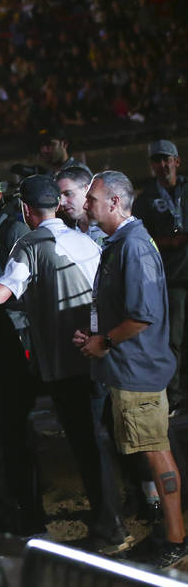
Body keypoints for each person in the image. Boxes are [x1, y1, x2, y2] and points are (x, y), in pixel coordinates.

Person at [0, 175, 129, 553]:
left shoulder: (30, 243)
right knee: (101, 440)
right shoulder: (84, 239)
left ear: (24, 209)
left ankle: (110, 527)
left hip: (65, 361)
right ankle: (120, 512)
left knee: (87, 444)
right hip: (101, 353)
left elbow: (0, 294)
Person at [74, 170, 186, 569]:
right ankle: (165, 533)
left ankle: (175, 539)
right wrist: (95, 336)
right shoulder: (122, 242)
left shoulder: (133, 246)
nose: (86, 205)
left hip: (138, 372)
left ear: (115, 203)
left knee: (156, 453)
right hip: (129, 369)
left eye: (91, 199)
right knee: (147, 453)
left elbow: (143, 315)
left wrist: (103, 342)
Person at [132, 140, 188, 413]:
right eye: (157, 160)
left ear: (177, 161)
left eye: (167, 159)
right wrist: (169, 243)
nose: (163, 165)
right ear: (152, 166)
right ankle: (175, 397)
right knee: (174, 340)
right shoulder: (145, 199)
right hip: (172, 279)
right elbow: (140, 240)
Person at [55, 165, 106, 246]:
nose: (62, 202)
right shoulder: (62, 234)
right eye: (59, 197)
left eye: (68, 194)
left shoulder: (109, 229)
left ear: (87, 189)